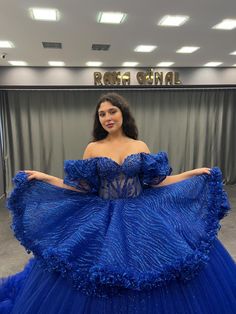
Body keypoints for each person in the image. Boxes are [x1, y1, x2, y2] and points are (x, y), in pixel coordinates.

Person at [0, 92, 235, 314]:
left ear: (123, 113)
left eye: (112, 111)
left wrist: (192, 173)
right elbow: (81, 186)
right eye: (102, 114)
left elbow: (155, 182)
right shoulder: (93, 148)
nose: (107, 118)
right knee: (94, 270)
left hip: (142, 213)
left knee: (156, 264)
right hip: (102, 216)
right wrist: (46, 177)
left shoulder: (139, 145)